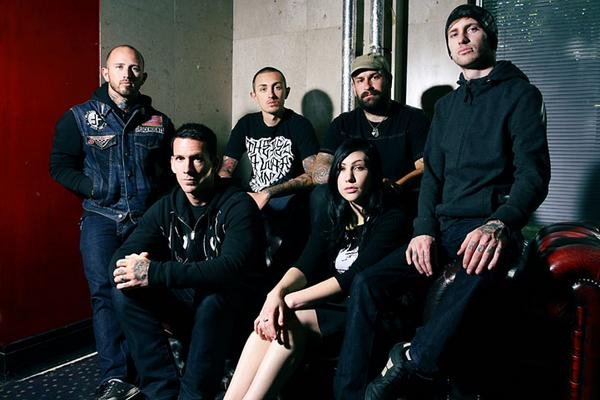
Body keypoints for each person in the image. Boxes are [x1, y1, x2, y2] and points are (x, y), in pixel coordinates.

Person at [365, 5, 551, 399]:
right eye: (453, 33)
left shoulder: (521, 95)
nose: (462, 39)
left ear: (490, 37)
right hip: (443, 227)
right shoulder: (446, 107)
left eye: (472, 29)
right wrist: (423, 231)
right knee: (367, 282)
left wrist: (499, 223)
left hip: (487, 224)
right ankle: (350, 391)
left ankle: (413, 360)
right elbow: (432, 178)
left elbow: (533, 176)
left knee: (480, 268)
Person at [223, 139, 413, 400]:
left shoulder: (392, 217)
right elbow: (307, 261)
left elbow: (354, 277)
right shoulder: (335, 213)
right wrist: (274, 295)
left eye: (358, 168)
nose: (349, 177)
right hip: (334, 304)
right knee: (269, 323)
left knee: (286, 320)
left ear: (374, 173)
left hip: (370, 311)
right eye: (342, 169)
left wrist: (288, 301)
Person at [49, 44, 174, 400]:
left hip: (145, 221)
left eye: (134, 68)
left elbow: (169, 172)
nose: (126, 74)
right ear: (105, 73)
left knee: (141, 291)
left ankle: (149, 373)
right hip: (100, 220)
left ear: (143, 76)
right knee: (104, 293)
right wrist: (94, 188)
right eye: (119, 67)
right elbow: (59, 166)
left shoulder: (159, 122)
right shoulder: (78, 117)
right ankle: (116, 378)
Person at [111, 123, 267, 400]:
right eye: (180, 159)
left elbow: (230, 267)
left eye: (197, 159)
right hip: (188, 298)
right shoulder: (167, 205)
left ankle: (193, 394)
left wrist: (154, 272)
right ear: (172, 163)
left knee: (213, 297)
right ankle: (161, 389)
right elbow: (120, 259)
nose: (188, 169)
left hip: (234, 304)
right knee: (124, 290)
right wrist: (134, 269)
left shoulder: (238, 204)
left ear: (214, 163)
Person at [219, 67, 319, 271]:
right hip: (253, 194)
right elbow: (226, 169)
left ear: (286, 92)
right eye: (263, 89)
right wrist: (235, 194)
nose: (271, 95)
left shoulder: (299, 125)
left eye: (277, 88)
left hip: (288, 195)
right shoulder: (246, 124)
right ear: (254, 95)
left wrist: (269, 193)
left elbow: (313, 175)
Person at [310, 53, 430, 195]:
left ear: (389, 81)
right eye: (360, 80)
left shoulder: (414, 118)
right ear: (354, 87)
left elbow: (425, 167)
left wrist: (396, 186)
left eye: (374, 77)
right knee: (320, 194)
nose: (367, 86)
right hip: (352, 196)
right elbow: (319, 170)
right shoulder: (342, 124)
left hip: (398, 195)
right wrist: (357, 183)